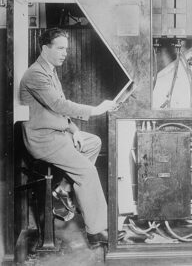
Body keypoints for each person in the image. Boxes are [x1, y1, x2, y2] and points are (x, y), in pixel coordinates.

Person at [20, 27, 125, 247]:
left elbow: (58, 111)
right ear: (44, 48)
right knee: (87, 172)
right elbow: (59, 105)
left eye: (66, 49)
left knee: (92, 142)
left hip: (58, 134)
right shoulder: (36, 74)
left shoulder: (49, 70)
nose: (65, 53)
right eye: (60, 48)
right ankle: (96, 232)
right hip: (44, 140)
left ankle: (63, 190)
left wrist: (75, 131)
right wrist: (96, 109)